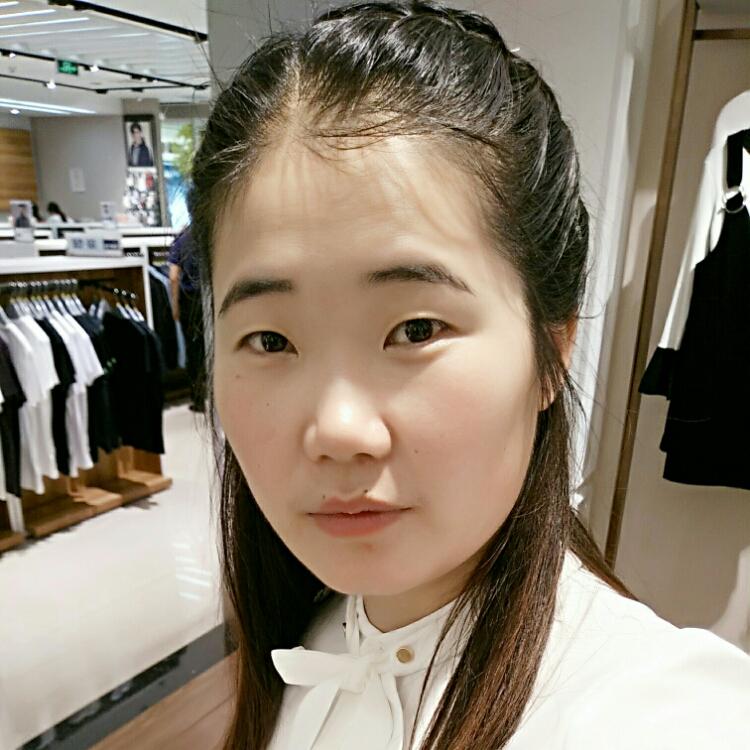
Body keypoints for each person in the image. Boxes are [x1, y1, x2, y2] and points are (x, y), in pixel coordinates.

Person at [188, 2, 750, 749]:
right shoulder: (311, 638)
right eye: (270, 339)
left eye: (416, 330)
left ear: (553, 349)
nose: (338, 430)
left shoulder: (663, 718)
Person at [168, 227, 205, 411]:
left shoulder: (181, 241)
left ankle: (198, 400)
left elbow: (173, 276)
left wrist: (174, 305)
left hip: (189, 302)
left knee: (193, 350)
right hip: (209, 297)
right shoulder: (207, 235)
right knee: (210, 347)